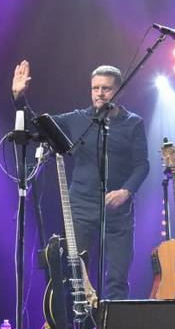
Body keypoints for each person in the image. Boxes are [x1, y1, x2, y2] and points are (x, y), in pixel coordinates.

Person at [12, 61, 148, 300]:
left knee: (117, 277)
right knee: (77, 273)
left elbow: (142, 164)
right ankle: (80, 323)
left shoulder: (133, 123)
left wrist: (127, 191)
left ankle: (114, 324)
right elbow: (40, 126)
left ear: (119, 91)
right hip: (81, 207)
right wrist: (19, 98)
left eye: (106, 88)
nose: (99, 93)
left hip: (118, 212)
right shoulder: (78, 119)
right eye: (95, 88)